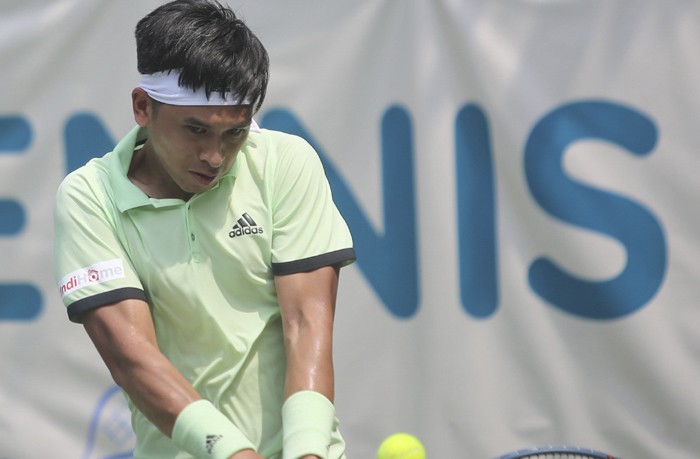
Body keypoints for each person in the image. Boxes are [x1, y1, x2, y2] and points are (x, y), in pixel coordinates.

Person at [53, 1, 355, 458]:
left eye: (234, 133)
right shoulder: (88, 197)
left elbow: (306, 323)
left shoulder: (286, 163)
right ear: (143, 107)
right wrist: (233, 452)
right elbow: (131, 357)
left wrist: (309, 451)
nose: (215, 157)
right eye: (196, 130)